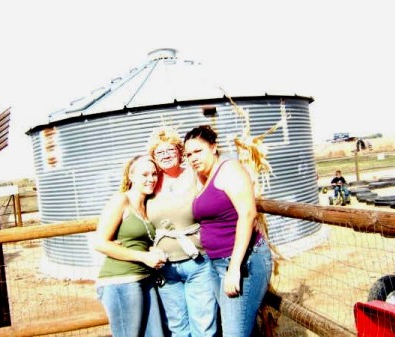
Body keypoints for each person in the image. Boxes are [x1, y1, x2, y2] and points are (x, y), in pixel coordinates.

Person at [184, 125, 273, 337]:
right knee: (242, 328)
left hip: (243, 262)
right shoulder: (205, 178)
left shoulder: (230, 169)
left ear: (213, 148)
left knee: (235, 332)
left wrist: (234, 268)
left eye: (198, 151)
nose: (193, 158)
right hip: (217, 263)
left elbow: (247, 214)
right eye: (188, 154)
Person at [146, 127, 218, 337]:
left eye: (170, 150)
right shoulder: (150, 182)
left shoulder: (196, 175)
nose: (166, 155)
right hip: (165, 267)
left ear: (179, 151)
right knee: (177, 328)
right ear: (154, 158)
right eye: (159, 153)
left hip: (198, 263)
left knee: (204, 326)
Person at [94, 154, 167, 337]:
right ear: (131, 176)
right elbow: (100, 243)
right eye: (144, 174)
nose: (151, 179)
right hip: (122, 281)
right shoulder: (121, 201)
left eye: (154, 174)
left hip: (145, 278)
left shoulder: (147, 205)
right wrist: (144, 257)